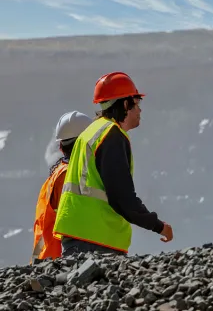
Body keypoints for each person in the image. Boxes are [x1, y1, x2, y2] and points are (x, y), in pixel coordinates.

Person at [53, 71, 173, 256]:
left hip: (78, 237)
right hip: (95, 240)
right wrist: (158, 226)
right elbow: (121, 197)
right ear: (126, 104)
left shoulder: (91, 131)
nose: (140, 110)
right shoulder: (111, 135)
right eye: (137, 102)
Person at [30, 111, 92, 264]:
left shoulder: (57, 174)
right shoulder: (68, 176)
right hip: (59, 260)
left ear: (61, 147)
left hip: (45, 256)